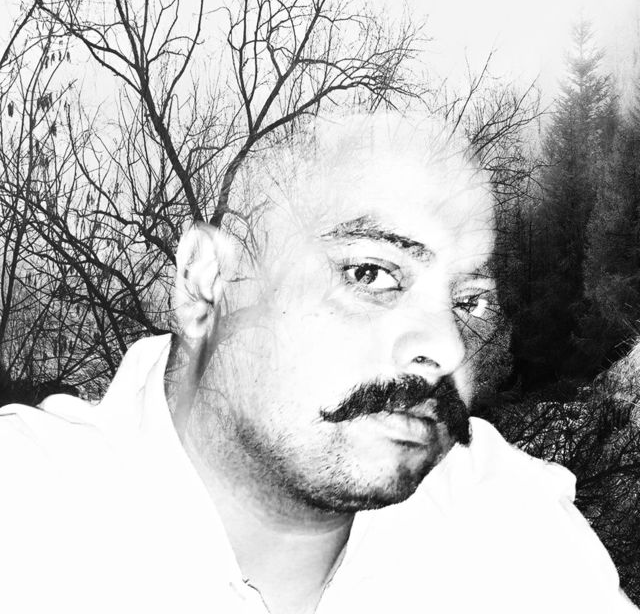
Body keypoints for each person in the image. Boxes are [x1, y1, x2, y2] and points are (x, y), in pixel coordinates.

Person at [0, 113, 636, 614]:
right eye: (370, 273)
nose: (447, 347)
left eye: (469, 302)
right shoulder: (25, 514)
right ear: (207, 282)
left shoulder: (507, 529)